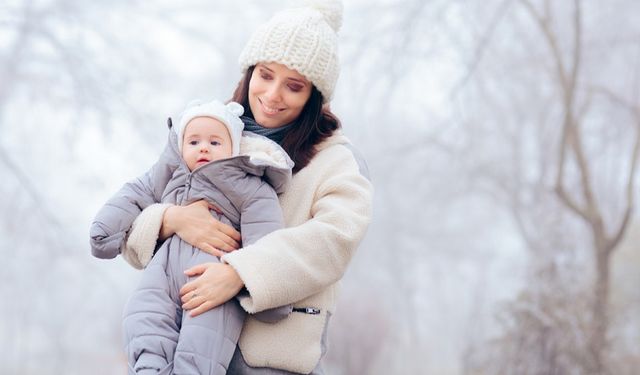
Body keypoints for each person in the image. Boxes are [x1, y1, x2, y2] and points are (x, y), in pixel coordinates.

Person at [106, 0, 373, 373]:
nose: (273, 93)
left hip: (266, 360)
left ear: (314, 96)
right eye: (265, 75)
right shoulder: (211, 138)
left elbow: (334, 241)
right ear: (249, 72)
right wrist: (170, 220)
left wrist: (240, 273)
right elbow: (131, 232)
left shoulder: (336, 160)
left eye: (293, 86)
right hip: (179, 349)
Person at [90, 99, 294, 374]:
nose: (204, 148)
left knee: (203, 342)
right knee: (144, 319)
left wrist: (261, 285)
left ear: (233, 148)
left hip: (212, 278)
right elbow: (134, 194)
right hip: (161, 272)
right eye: (194, 141)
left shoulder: (250, 187)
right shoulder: (168, 175)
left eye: (215, 142)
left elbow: (266, 242)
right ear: (180, 146)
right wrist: (104, 231)